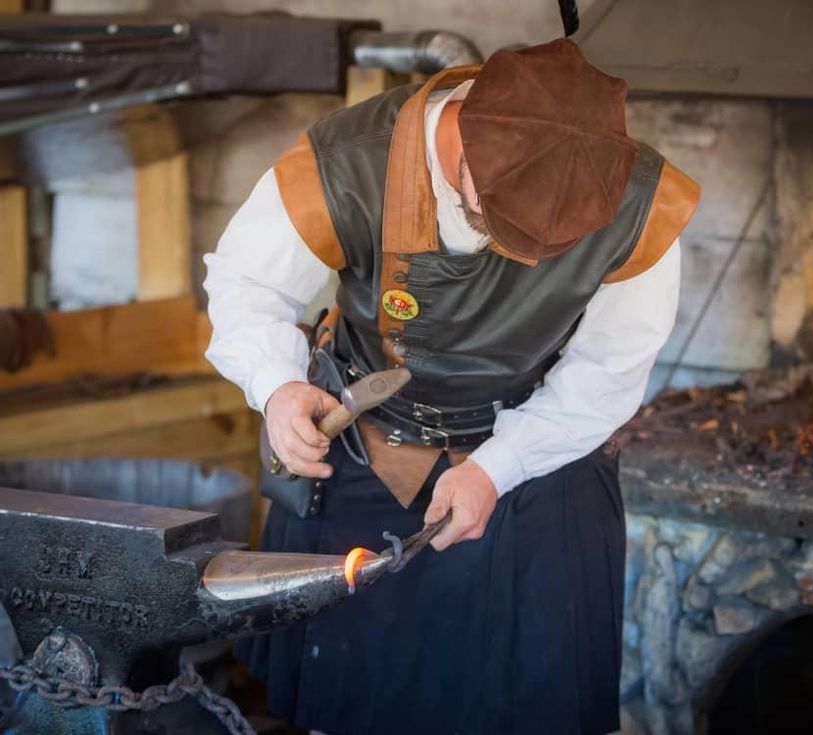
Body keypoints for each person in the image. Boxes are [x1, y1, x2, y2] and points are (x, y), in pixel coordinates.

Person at [204, 38, 698, 735]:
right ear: (463, 140)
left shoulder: (642, 206)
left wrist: (497, 468)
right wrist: (278, 385)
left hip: (537, 459)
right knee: (351, 707)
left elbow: (606, 373)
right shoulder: (346, 162)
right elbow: (244, 283)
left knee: (529, 714)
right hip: (368, 454)